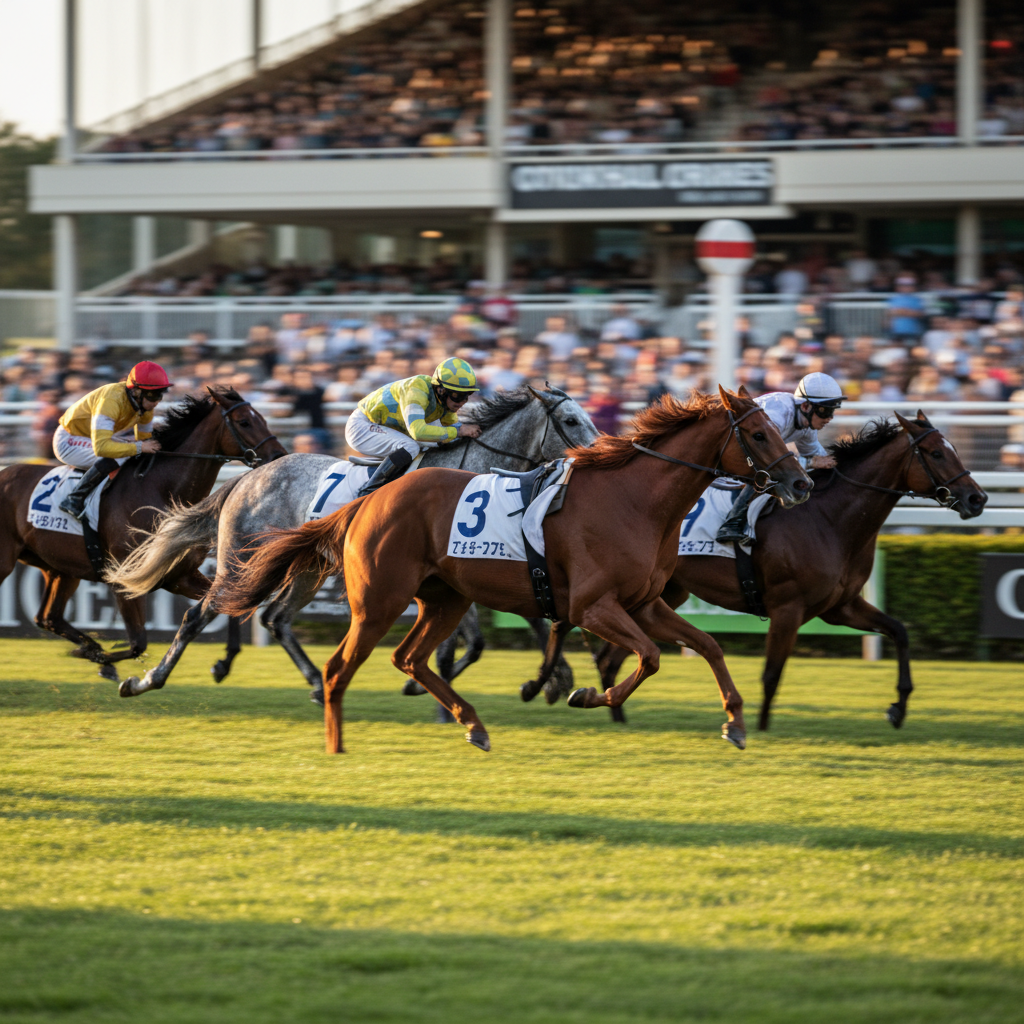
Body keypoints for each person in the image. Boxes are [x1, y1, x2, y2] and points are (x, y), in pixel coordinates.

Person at [716, 372, 844, 543]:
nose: (830, 418)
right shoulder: (777, 415)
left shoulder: (806, 425)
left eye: (832, 411)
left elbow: (817, 456)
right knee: (766, 473)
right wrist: (811, 462)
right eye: (825, 411)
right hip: (726, 449)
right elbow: (767, 457)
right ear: (806, 406)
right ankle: (732, 523)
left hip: (751, 452)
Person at [345, 357, 483, 498]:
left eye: (467, 396)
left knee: (438, 441)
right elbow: (418, 432)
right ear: (441, 390)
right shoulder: (416, 389)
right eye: (457, 396)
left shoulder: (444, 403)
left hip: (389, 428)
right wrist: (459, 431)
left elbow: (451, 428)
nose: (462, 402)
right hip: (363, 425)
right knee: (410, 447)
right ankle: (368, 491)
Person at [54, 361, 170, 521]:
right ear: (136, 391)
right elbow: (101, 448)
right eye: (153, 395)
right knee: (124, 453)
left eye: (160, 394)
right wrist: (139, 447)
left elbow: (145, 440)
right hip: (70, 440)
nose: (157, 401)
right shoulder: (111, 400)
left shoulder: (145, 407)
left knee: (134, 449)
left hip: (90, 437)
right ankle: (75, 498)